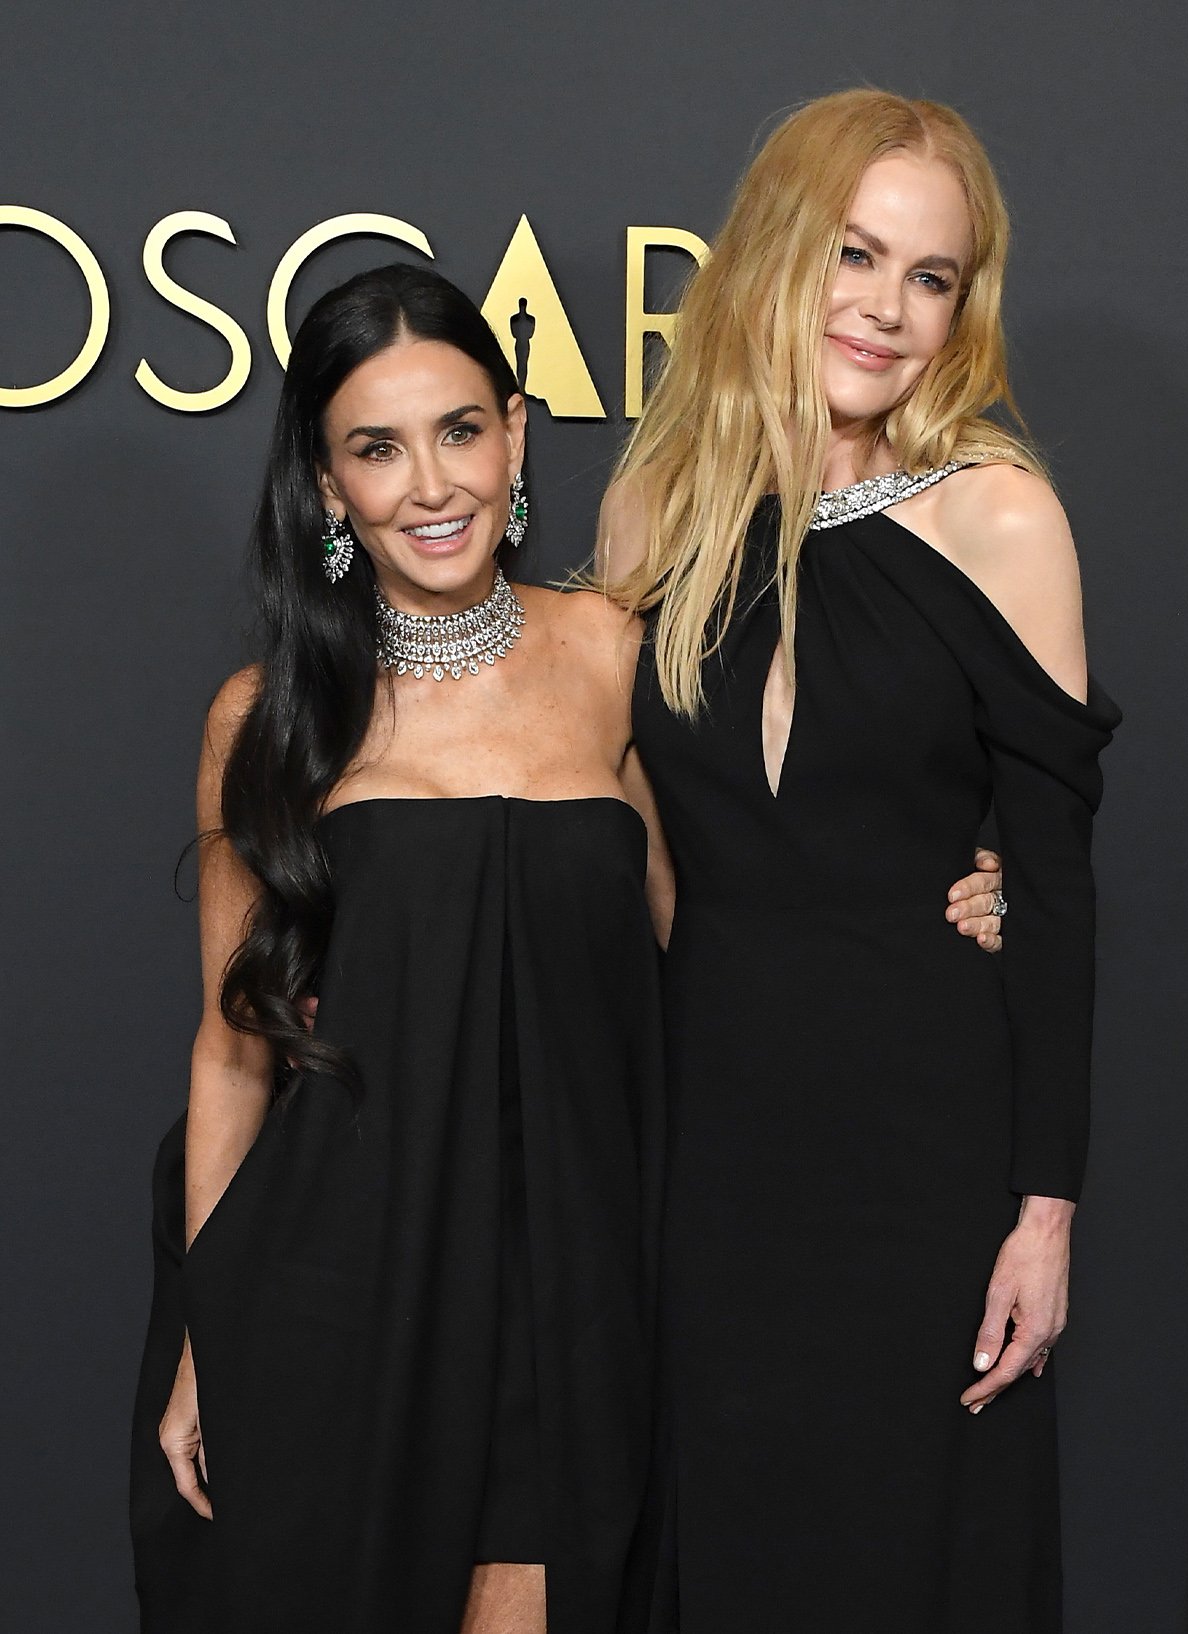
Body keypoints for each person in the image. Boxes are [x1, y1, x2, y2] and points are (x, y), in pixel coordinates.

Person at [600, 89, 1121, 1632]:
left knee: (913, 1551)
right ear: (774, 252)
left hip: (927, 1151)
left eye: (932, 275)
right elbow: (618, 839)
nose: (888, 310)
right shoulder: (656, 513)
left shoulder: (1001, 515)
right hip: (712, 1143)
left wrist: (1046, 1213)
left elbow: (1060, 882)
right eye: (854, 254)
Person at [129, 263, 673, 1634]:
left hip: (579, 1274)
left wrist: (969, 877)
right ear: (326, 486)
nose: (431, 485)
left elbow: (711, 938)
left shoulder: (616, 652)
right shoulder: (267, 719)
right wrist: (208, 1329)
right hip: (345, 1288)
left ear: (517, 435)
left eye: (460, 430)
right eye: (376, 448)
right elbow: (232, 1053)